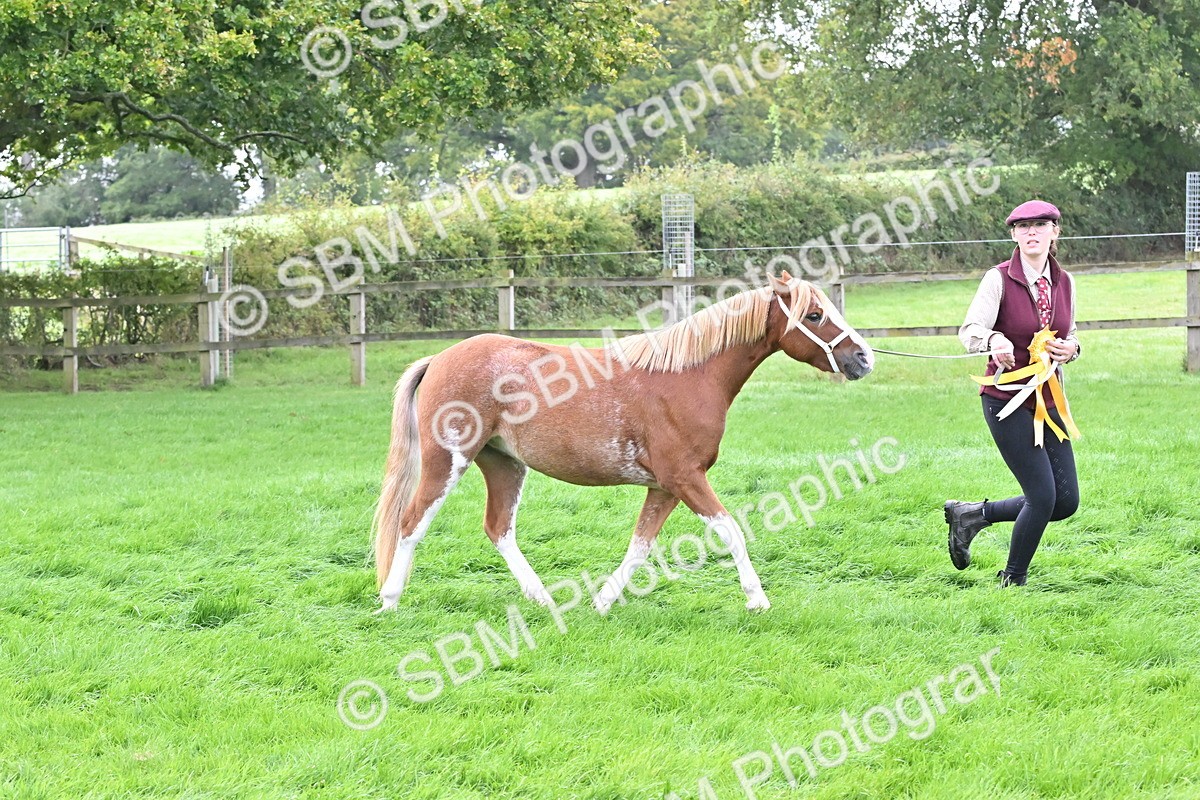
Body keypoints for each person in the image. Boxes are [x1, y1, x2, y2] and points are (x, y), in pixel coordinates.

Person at [945, 200, 1081, 587]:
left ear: (1055, 232)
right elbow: (969, 330)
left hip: (1049, 400)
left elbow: (1070, 334)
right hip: (1005, 401)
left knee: (1065, 502)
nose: (1031, 232)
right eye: (1023, 227)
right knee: (1041, 496)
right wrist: (992, 338)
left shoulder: (1066, 282)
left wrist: (1073, 349)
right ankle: (1013, 581)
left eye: (1041, 225)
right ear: (1014, 235)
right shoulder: (998, 279)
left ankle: (973, 515)